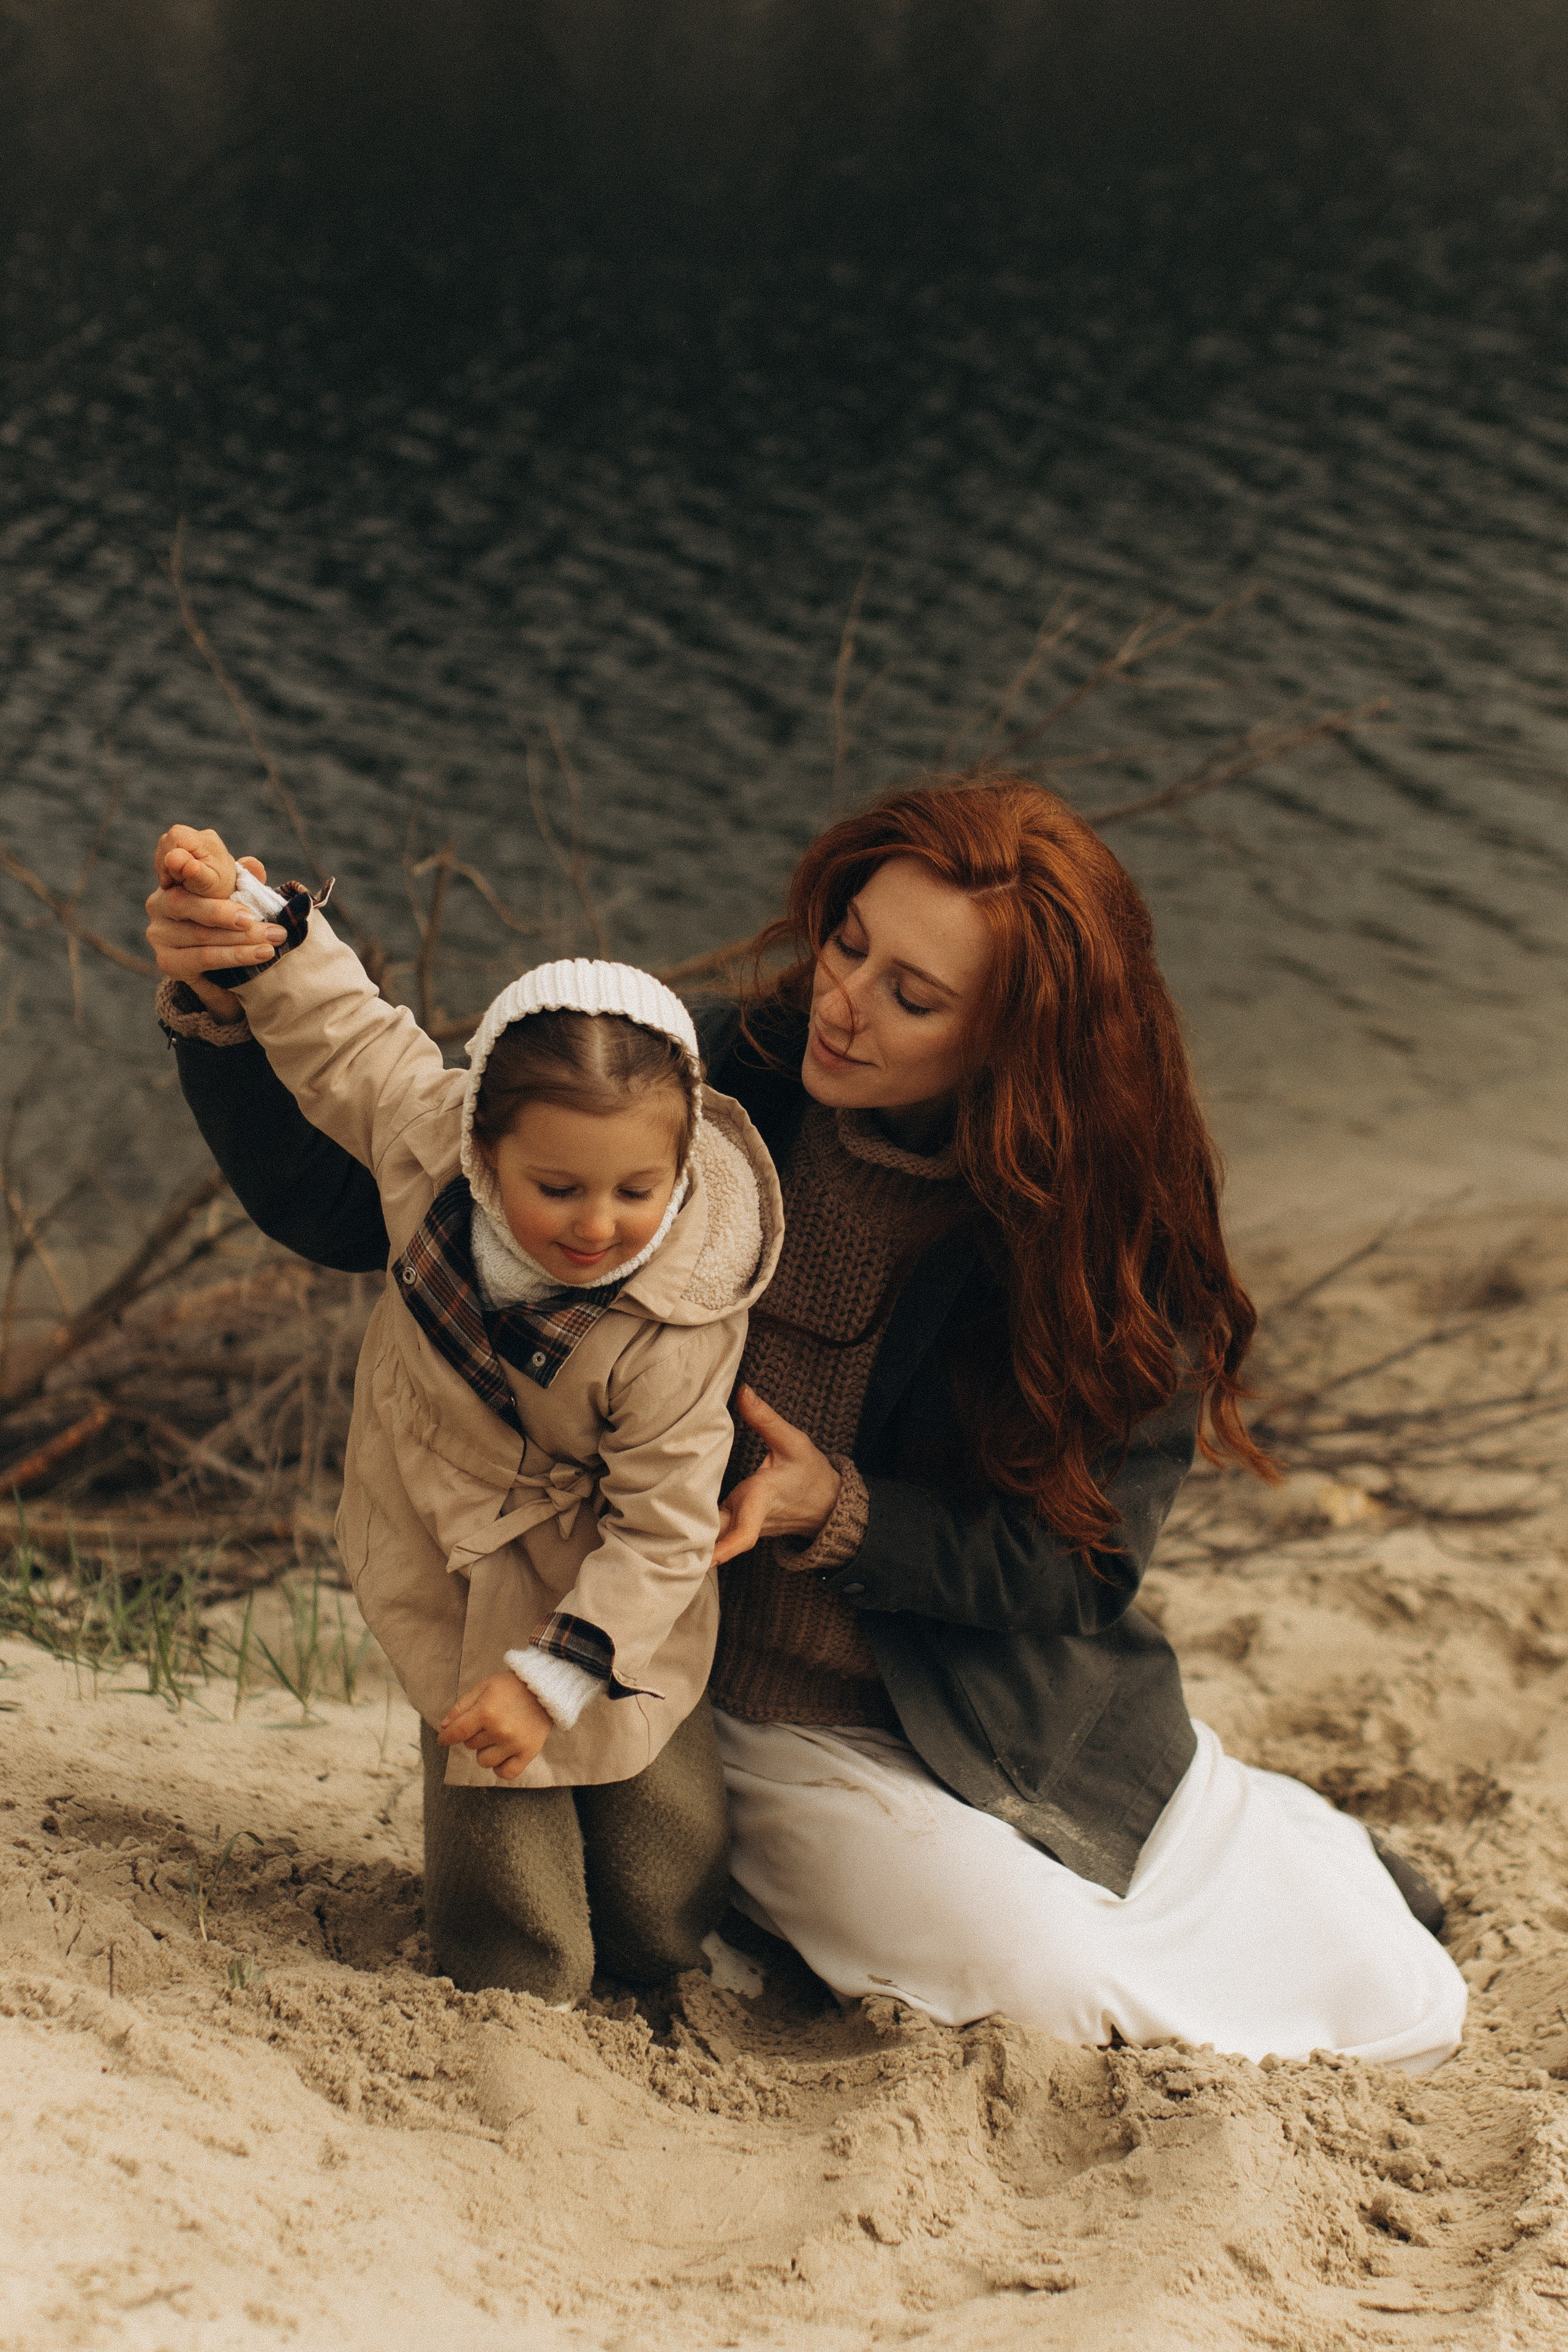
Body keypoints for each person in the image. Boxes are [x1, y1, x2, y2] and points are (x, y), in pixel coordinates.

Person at [148, 776, 1466, 2069]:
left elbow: (1078, 1568)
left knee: (1330, 1974)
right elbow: (378, 1190)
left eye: (913, 996)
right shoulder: (714, 1079)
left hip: (974, 1702)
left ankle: (1273, 1843)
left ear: (1018, 1041)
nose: (844, 1003)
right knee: (1046, 1986)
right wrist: (226, 1003)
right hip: (719, 1703)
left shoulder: (1102, 1248)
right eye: (849, 944)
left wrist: (835, 1512)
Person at [148, 824, 782, 2006]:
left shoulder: (681, 1313)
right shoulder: (429, 1136)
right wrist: (253, 920)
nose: (599, 1224)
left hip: (612, 1560)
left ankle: (667, 1963)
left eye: (637, 1190)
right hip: (451, 1510)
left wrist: (558, 1673)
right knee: (486, 1767)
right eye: (559, 1188)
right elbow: (345, 1027)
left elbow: (663, 1530)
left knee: (647, 1768)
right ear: (485, 1145)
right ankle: (512, 1988)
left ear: (684, 1163)